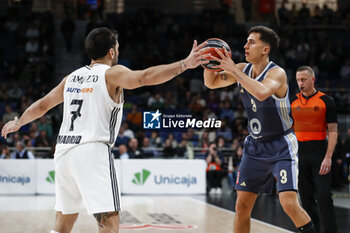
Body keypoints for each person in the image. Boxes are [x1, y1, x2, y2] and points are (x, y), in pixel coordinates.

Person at [1, 27, 208, 233]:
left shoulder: (71, 78)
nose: (117, 51)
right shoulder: (111, 73)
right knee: (109, 222)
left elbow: (42, 106)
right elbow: (145, 77)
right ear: (111, 52)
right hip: (92, 150)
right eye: (117, 48)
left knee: (63, 221)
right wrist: (185, 64)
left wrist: (18, 122)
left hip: (63, 152)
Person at [203, 26, 315, 233]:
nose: (245, 46)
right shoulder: (241, 68)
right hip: (254, 145)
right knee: (241, 206)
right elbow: (211, 83)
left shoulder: (277, 73)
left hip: (281, 144)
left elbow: (262, 92)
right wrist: (209, 61)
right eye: (246, 41)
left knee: (289, 204)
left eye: (252, 42)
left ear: (265, 49)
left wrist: (234, 70)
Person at [290, 66, 338, 233]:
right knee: (306, 199)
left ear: (313, 80)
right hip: (299, 153)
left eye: (303, 80)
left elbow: (333, 131)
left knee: (324, 197)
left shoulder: (326, 101)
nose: (300, 83)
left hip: (320, 152)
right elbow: (288, 130)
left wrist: (328, 157)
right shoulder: (293, 101)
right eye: (298, 80)